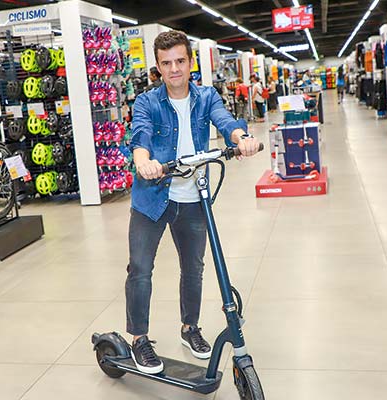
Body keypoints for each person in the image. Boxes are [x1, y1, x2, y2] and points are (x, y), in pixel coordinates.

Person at [127, 30, 260, 374]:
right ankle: (139, 339)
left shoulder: (206, 96)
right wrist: (143, 161)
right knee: (141, 270)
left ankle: (190, 329)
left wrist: (241, 137)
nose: (174, 69)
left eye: (180, 61)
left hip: (193, 197)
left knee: (195, 269)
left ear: (190, 62)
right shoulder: (147, 102)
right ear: (157, 67)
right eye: (166, 63)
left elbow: (226, 121)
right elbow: (140, 135)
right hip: (152, 198)